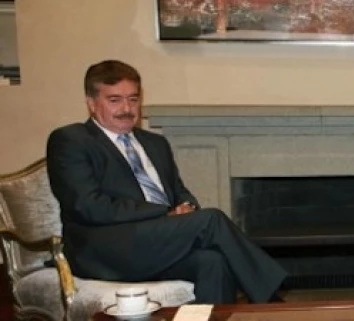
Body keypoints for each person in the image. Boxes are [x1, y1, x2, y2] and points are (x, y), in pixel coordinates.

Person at [46, 60, 287, 304]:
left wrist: (185, 208)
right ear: (91, 103)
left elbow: (179, 192)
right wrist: (165, 213)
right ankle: (272, 302)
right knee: (211, 219)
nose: (127, 108)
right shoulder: (72, 140)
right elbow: (88, 206)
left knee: (213, 261)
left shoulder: (154, 143)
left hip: (156, 244)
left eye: (133, 99)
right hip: (108, 249)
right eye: (114, 100)